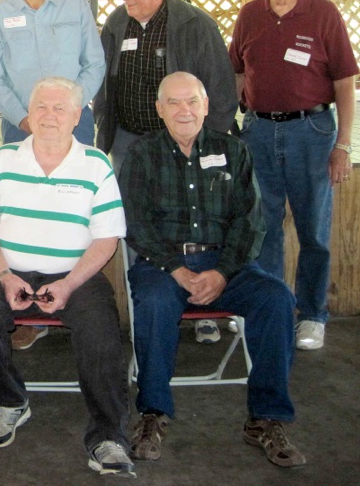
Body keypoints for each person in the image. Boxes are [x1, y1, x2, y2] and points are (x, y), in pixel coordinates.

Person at [118, 72, 304, 469]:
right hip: (163, 267)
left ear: (206, 105)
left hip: (226, 265)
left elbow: (250, 221)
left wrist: (222, 272)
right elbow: (135, 223)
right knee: (153, 301)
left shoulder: (233, 150)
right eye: (173, 102)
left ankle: (265, 417)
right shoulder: (141, 154)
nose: (183, 110)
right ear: (159, 109)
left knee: (277, 299)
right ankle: (152, 413)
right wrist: (175, 268)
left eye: (192, 101)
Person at [0, 76, 134, 478]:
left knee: (100, 327)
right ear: (28, 113)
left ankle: (108, 435)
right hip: (9, 270)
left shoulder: (96, 164)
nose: (49, 115)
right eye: (41, 106)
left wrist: (69, 283)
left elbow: (107, 239)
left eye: (60, 108)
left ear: (76, 116)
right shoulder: (3, 159)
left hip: (76, 274)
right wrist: (4, 275)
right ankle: (9, 399)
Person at [94, 0, 237, 344]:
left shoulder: (195, 25)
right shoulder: (117, 23)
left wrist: (204, 146)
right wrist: (104, 127)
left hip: (184, 145)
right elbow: (104, 83)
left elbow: (222, 92)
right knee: (138, 224)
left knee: (195, 219)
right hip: (128, 143)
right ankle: (151, 311)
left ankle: (202, 309)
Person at [228, 0, 358, 350]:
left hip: (312, 133)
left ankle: (313, 315)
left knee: (313, 230)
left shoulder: (323, 13)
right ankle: (272, 311)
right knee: (262, 228)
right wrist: (231, 124)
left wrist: (343, 145)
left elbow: (345, 83)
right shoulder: (249, 14)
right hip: (258, 132)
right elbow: (236, 73)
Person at [0, 0, 106, 350]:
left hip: (75, 124)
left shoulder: (76, 7)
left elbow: (94, 63)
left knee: (75, 212)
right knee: (25, 215)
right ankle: (29, 313)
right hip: (20, 126)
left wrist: (68, 112)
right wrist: (25, 118)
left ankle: (73, 297)